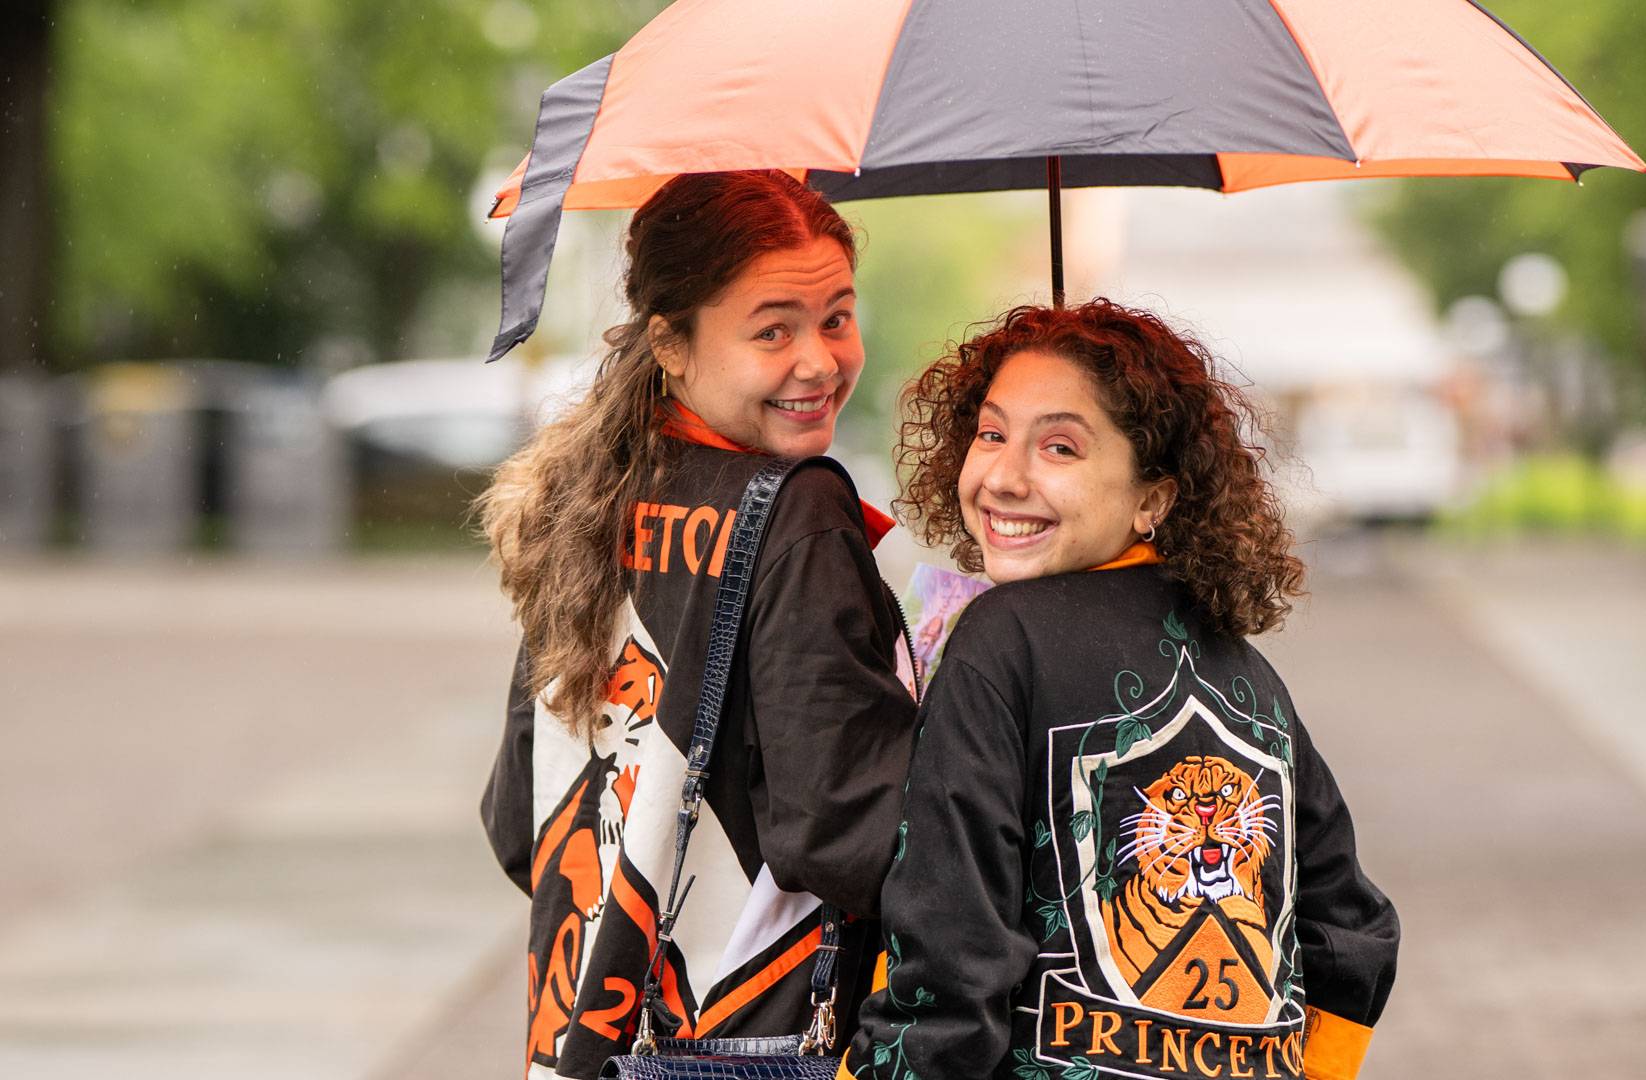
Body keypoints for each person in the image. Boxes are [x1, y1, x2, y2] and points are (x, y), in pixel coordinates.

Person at [840, 301, 1399, 1080]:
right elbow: (1354, 929)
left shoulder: (1000, 641)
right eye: (992, 433)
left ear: (1153, 499)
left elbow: (950, 956)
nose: (1004, 476)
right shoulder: (1247, 675)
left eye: (1060, 447)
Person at [477, 170, 919, 1080]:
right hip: (744, 1045)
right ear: (671, 343)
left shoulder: (593, 498)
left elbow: (519, 822)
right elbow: (841, 830)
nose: (821, 360)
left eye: (837, 316)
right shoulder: (795, 512)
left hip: (582, 1044)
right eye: (773, 330)